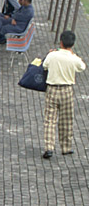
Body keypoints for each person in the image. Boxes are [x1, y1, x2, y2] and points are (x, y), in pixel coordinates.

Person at [41, 30, 86, 159]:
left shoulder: (53, 55)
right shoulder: (73, 59)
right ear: (72, 44)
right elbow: (82, 67)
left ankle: (49, 147)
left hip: (52, 89)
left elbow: (44, 66)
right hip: (67, 90)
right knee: (66, 120)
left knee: (50, 119)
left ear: (60, 42)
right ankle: (66, 147)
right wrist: (74, 55)